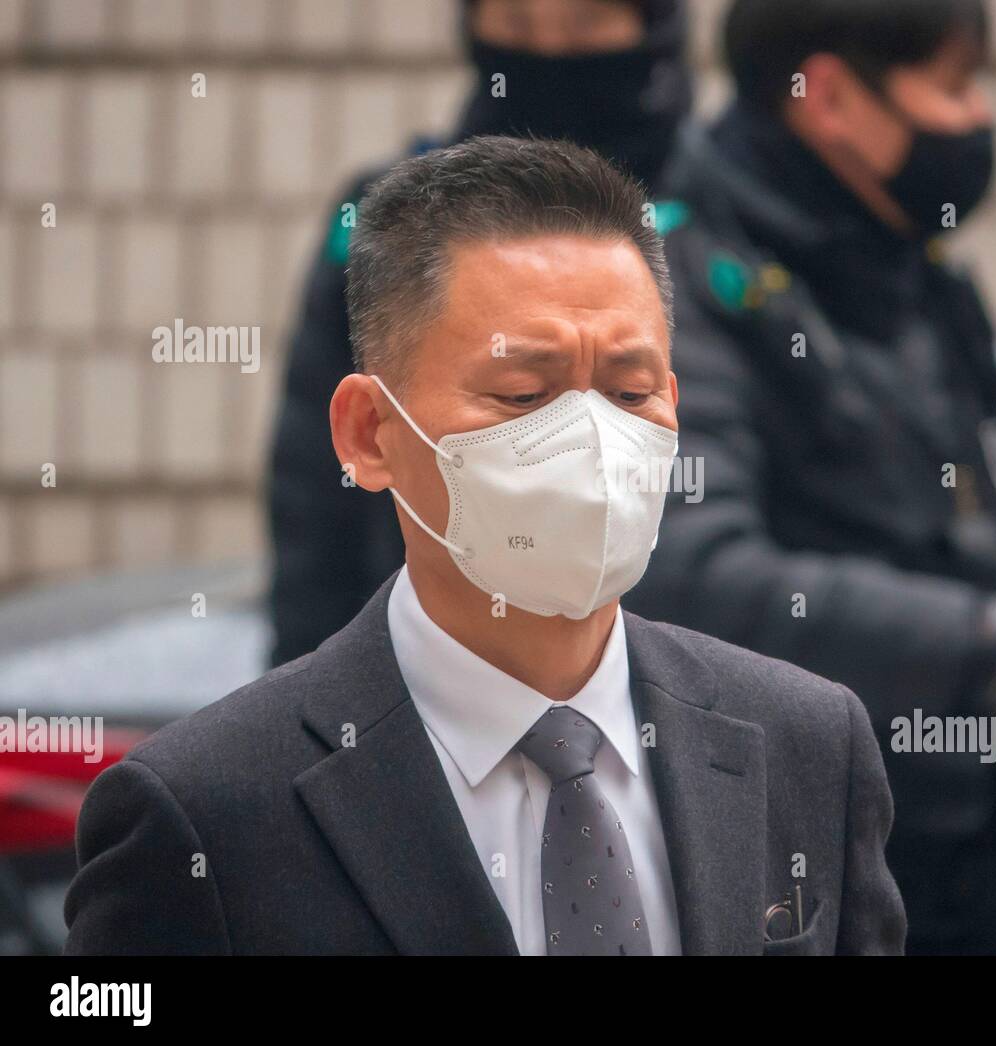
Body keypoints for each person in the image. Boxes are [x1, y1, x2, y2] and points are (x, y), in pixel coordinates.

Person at [62, 137, 906, 956]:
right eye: (523, 393)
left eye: (630, 392)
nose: (591, 439)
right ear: (370, 432)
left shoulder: (808, 746)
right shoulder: (208, 810)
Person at [621, 0, 996, 954]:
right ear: (832, 98)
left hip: (992, 845)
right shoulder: (681, 281)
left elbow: (991, 516)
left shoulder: (906, 266)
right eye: (952, 84)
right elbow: (694, 574)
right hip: (819, 860)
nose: (978, 119)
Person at [267, 0, 693, 666]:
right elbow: (314, 501)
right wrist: (312, 694)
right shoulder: (388, 218)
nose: (549, 55)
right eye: (518, 27)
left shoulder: (729, 209)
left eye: (585, 26)